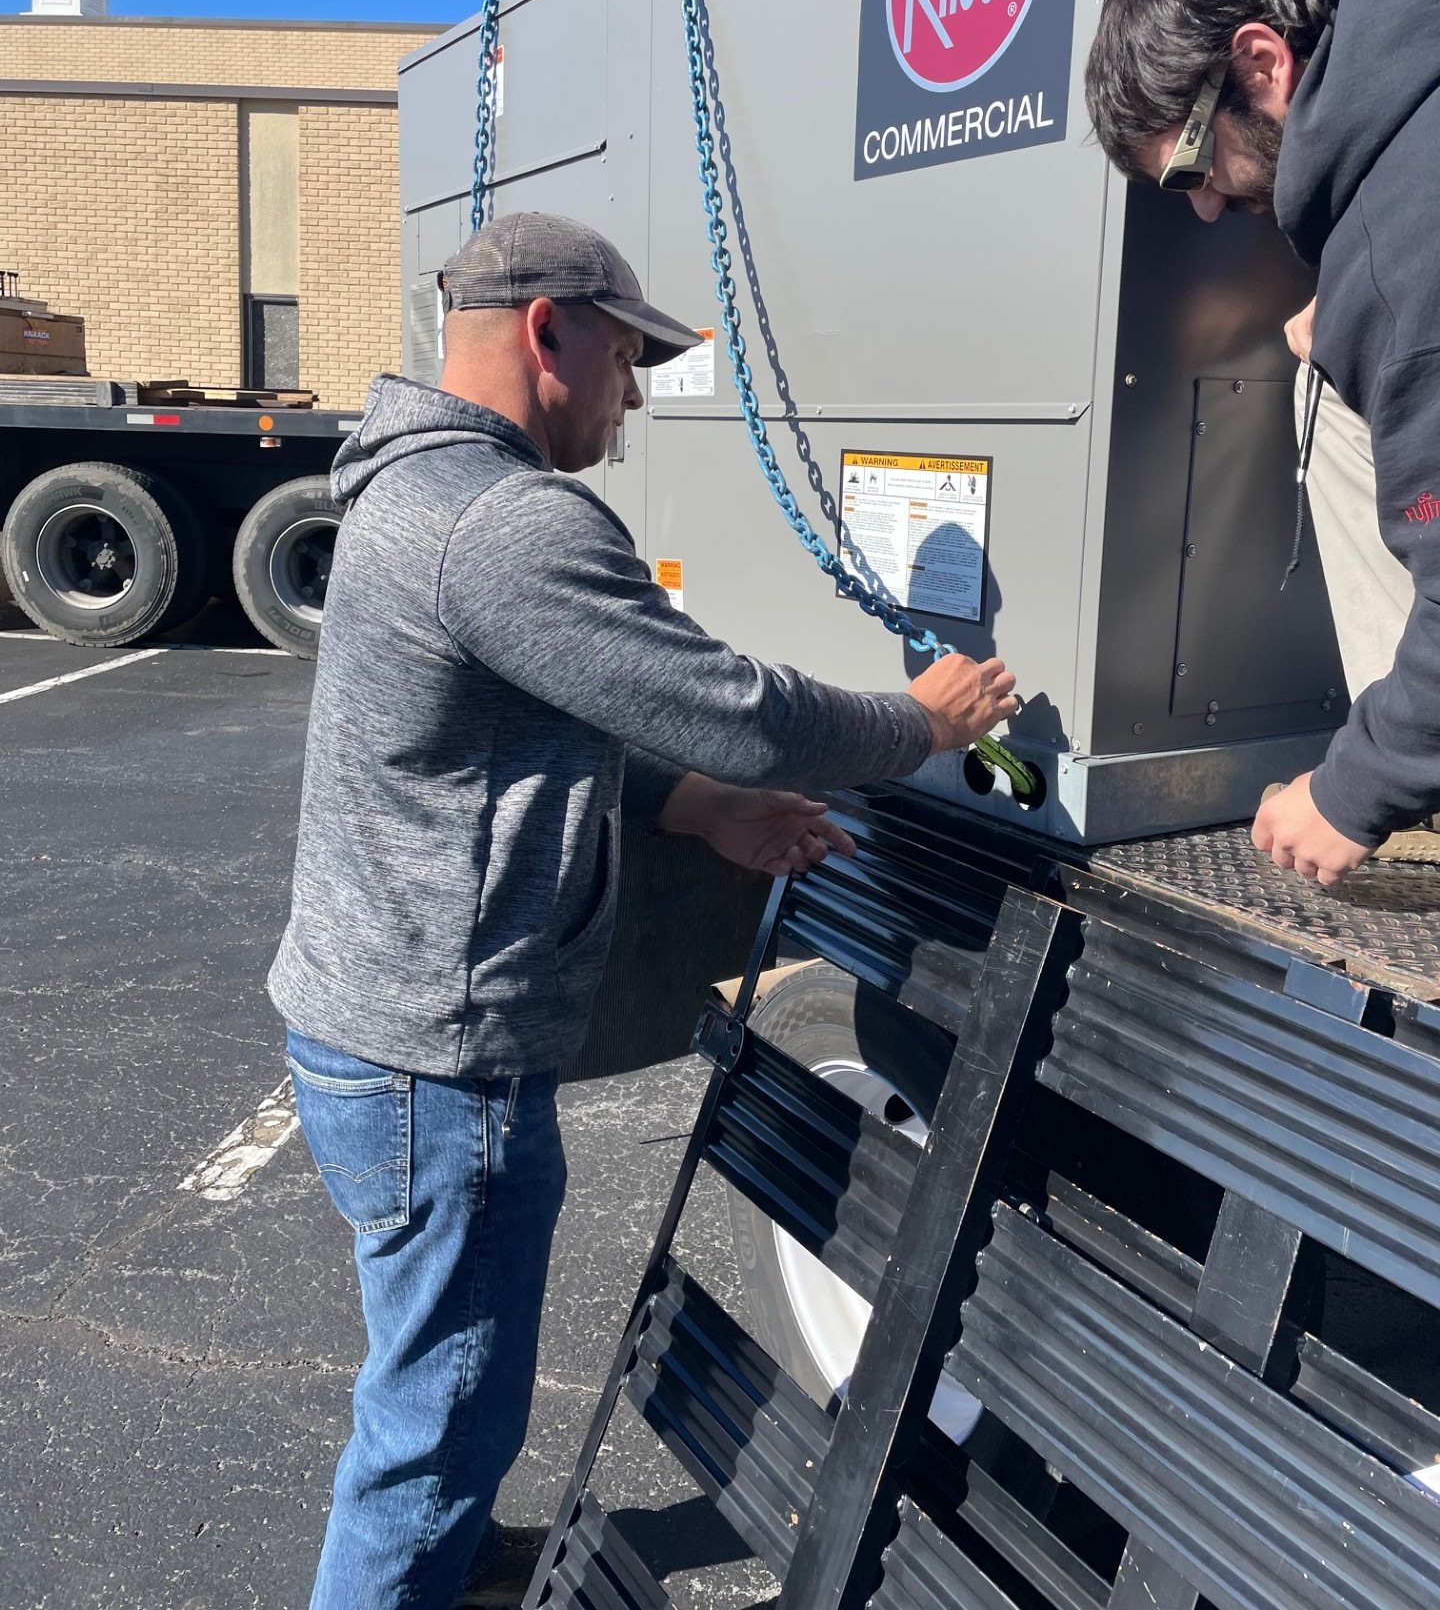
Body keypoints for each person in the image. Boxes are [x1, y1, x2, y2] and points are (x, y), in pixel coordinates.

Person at [269, 211, 1019, 1610]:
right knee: (432, 1422)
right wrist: (916, 724)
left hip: (371, 1031)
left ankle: (433, 1557)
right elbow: (740, 705)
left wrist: (698, 811)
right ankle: (406, 1567)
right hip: (439, 1064)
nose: (634, 396)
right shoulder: (504, 523)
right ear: (549, 331)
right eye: (625, 360)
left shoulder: (408, 491)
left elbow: (526, 723)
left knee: (444, 1388)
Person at [1084, 0, 1440, 885]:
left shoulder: (1405, 247)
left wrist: (1355, 791)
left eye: (1190, 165)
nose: (1205, 209)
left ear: (1261, 63)